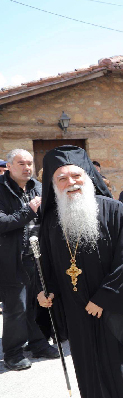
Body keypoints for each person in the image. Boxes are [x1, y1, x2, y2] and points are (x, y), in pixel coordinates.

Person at [36, 145, 123, 398]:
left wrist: (104, 298)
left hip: (113, 310)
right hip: (76, 313)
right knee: (89, 371)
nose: (71, 183)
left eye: (76, 176)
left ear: (88, 177)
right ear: (53, 185)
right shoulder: (51, 220)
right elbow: (47, 266)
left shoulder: (114, 210)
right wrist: (44, 292)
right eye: (62, 178)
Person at [0, 149, 59, 370]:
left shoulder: (38, 187)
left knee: (35, 304)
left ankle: (37, 343)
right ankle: (13, 353)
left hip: (38, 256)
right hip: (12, 258)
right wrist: (29, 210)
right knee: (16, 307)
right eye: (21, 163)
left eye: (30, 163)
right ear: (9, 166)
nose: (27, 168)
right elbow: (2, 222)